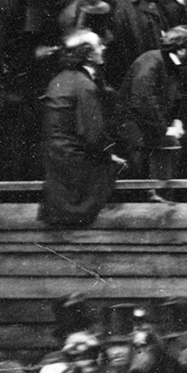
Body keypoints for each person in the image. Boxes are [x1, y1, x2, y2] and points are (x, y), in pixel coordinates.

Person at [38, 28, 124, 226]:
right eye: (97, 46)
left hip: (55, 157)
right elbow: (93, 135)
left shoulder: (60, 79)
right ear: (87, 54)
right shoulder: (84, 85)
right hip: (73, 161)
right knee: (122, 167)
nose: (103, 48)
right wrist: (110, 155)